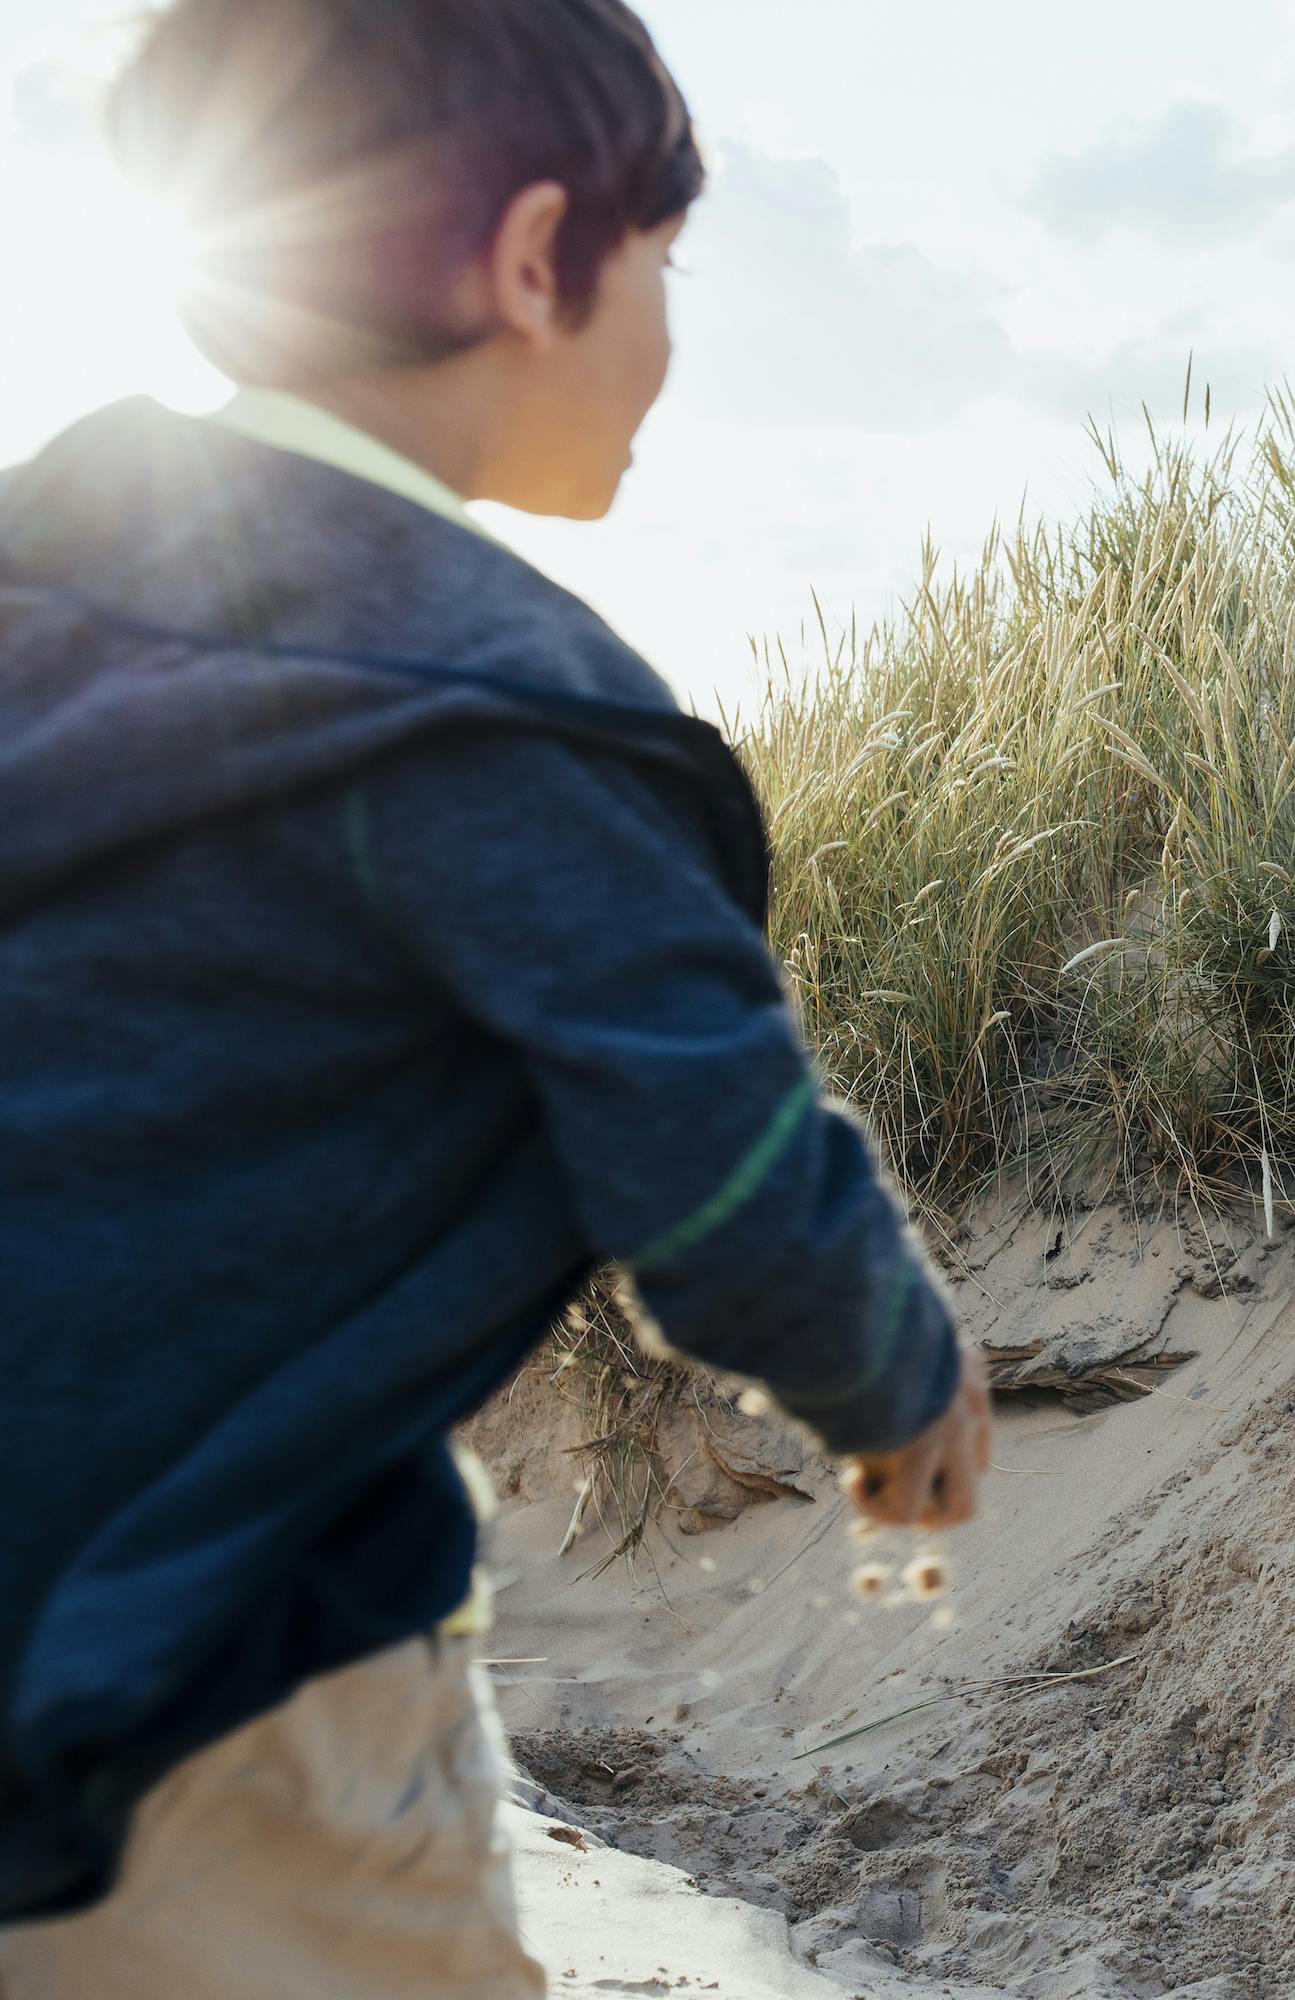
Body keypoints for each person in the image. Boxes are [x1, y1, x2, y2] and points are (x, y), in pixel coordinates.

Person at [0, 3, 991, 1992]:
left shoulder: (49, 606)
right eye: (666, 266)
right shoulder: (493, 715)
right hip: (208, 1683)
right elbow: (716, 1176)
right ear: (539, 260)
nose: (671, 336)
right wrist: (901, 1384)